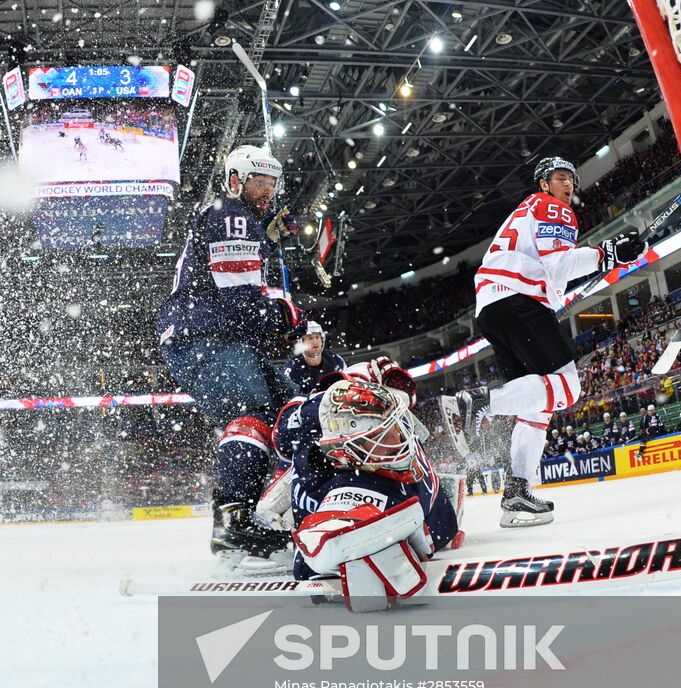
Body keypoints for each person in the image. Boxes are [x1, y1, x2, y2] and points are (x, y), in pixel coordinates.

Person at [442, 157, 644, 527]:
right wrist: (608, 253)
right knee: (568, 387)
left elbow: (551, 271)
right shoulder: (552, 207)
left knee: (538, 408)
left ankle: (517, 493)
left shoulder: (529, 211)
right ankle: (481, 402)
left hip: (493, 306)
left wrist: (597, 262)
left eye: (571, 180)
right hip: (518, 301)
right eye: (560, 178)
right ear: (544, 184)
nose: (568, 185)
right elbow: (558, 265)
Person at [156, 144, 307, 568]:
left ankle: (273, 507)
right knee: (254, 411)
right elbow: (242, 302)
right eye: (260, 181)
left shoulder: (238, 219)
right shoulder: (231, 214)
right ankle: (234, 525)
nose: (269, 191)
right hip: (205, 338)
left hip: (214, 337)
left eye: (274, 183)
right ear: (236, 180)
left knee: (291, 410)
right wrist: (286, 311)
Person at [278, 377, 464, 613]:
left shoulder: (390, 462)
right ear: (352, 449)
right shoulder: (344, 480)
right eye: (385, 435)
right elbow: (308, 564)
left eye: (397, 427)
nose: (401, 438)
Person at [284, 321, 347, 393]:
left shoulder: (336, 360)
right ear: (301, 342)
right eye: (310, 338)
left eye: (317, 337)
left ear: (322, 340)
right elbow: (290, 399)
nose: (315, 342)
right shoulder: (291, 369)